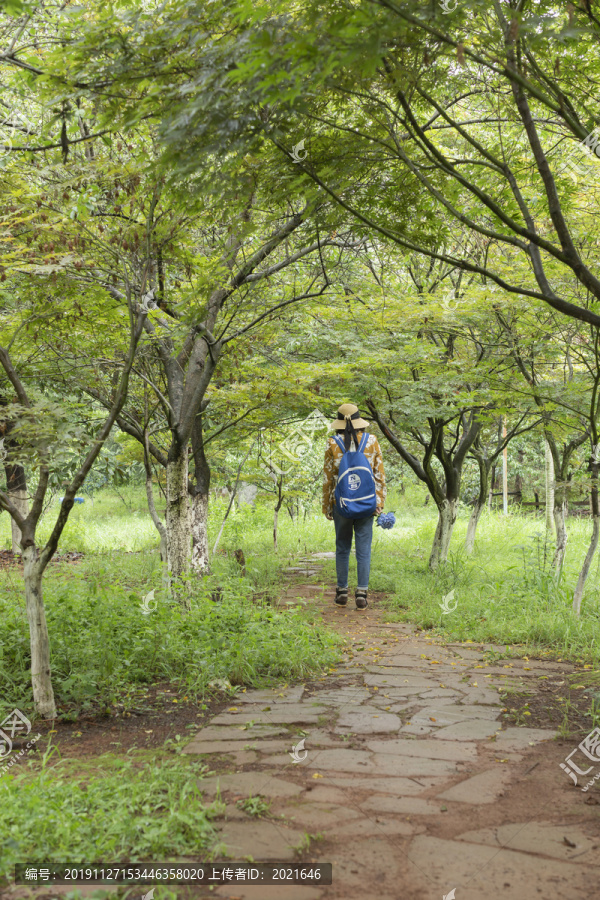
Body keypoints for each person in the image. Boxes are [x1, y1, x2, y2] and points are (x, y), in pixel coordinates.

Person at [322, 403, 386, 610]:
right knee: (364, 548)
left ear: (339, 423)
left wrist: (327, 506)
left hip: (341, 503)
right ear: (360, 422)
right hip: (367, 502)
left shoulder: (332, 443)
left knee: (342, 546)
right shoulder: (372, 441)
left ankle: (342, 591)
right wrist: (379, 502)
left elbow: (329, 478)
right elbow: (379, 475)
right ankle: (361, 594)